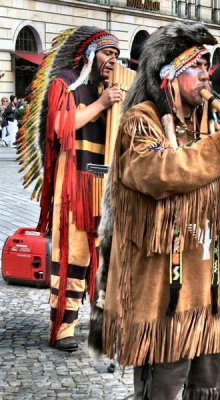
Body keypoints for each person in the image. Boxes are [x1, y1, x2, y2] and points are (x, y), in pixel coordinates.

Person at [90, 22, 220, 398]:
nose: (208, 76)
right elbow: (157, 173)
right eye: (197, 67)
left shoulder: (207, 122)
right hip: (165, 293)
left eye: (208, 67)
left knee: (211, 380)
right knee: (163, 385)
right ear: (169, 76)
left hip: (210, 286)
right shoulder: (139, 121)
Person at [18, 26, 123, 352]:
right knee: (73, 255)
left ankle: (103, 326)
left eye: (117, 55)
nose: (113, 60)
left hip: (104, 183)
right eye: (108, 53)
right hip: (74, 184)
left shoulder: (110, 88)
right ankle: (63, 327)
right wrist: (103, 103)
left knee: (105, 259)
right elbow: (61, 126)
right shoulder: (66, 81)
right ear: (90, 54)